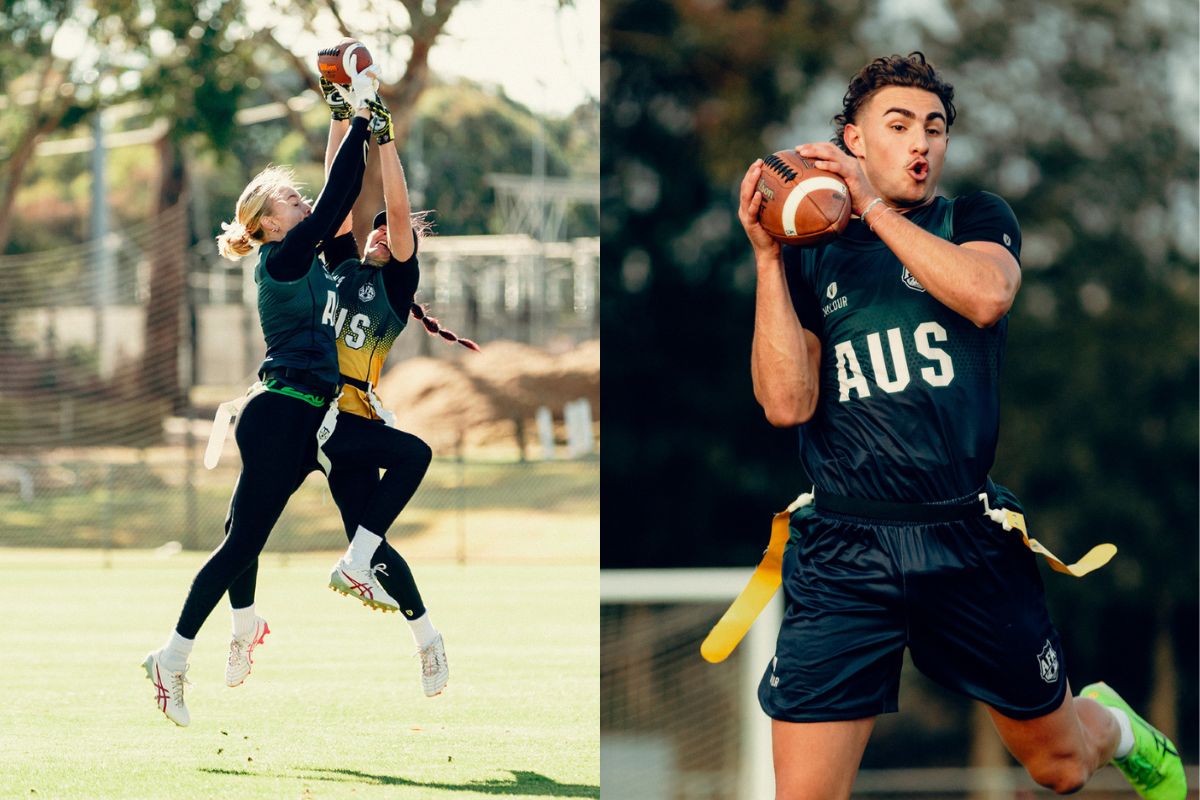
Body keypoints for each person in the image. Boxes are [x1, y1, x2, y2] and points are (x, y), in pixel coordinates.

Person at [736, 52, 1185, 800]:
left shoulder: (974, 217)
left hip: (965, 540)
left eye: (935, 127)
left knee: (1061, 768)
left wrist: (873, 213)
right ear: (853, 140)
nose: (921, 141)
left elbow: (985, 297)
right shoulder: (810, 259)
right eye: (900, 124)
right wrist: (766, 262)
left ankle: (1115, 725)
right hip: (844, 552)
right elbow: (785, 404)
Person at [141, 58, 384, 727]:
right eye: (289, 200)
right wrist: (364, 112)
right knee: (239, 543)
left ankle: (244, 622)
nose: (301, 202)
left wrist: (341, 112)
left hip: (312, 416)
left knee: (244, 536)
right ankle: (172, 655)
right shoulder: (282, 257)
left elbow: (335, 199)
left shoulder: (308, 252)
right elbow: (337, 200)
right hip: (280, 412)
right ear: (266, 222)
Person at [221, 81, 478, 699]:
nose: (379, 232)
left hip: (348, 417)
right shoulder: (335, 262)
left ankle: (426, 638)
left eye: (392, 232)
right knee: (240, 525)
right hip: (300, 410)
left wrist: (385, 138)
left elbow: (384, 201)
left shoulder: (392, 286)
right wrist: (342, 115)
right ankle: (241, 626)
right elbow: (338, 194)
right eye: (377, 227)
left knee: (371, 534)